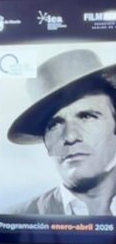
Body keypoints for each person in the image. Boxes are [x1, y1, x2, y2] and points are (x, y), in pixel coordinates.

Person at [7, 48, 116, 216]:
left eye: (87, 116)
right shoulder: (18, 217)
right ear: (46, 144)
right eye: (54, 125)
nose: (70, 136)